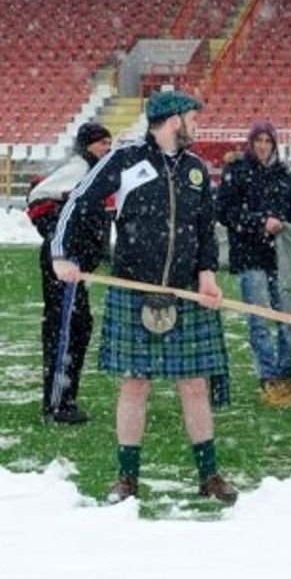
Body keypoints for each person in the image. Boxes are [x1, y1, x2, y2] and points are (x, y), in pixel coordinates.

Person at [51, 90, 237, 504]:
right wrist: (61, 254)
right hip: (135, 290)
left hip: (186, 291)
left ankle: (209, 476)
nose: (197, 125)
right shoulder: (126, 159)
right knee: (135, 385)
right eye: (193, 118)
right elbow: (79, 202)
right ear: (173, 121)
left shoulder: (195, 169)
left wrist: (207, 276)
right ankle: (126, 479)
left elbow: (206, 228)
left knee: (194, 385)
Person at [216, 120, 291, 408]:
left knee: (288, 320)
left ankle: (285, 375)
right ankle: (267, 379)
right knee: (259, 320)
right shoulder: (238, 172)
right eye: (259, 141)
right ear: (251, 143)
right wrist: (258, 223)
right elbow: (224, 211)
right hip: (250, 255)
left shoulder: (283, 173)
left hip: (279, 256)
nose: (264, 146)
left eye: (268, 141)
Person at [27, 122, 113, 424]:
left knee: (79, 327)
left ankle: (66, 397)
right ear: (87, 145)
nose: (107, 148)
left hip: (78, 267)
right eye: (102, 143)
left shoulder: (97, 173)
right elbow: (37, 198)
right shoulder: (78, 168)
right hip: (64, 264)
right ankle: (56, 405)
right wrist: (58, 241)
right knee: (63, 331)